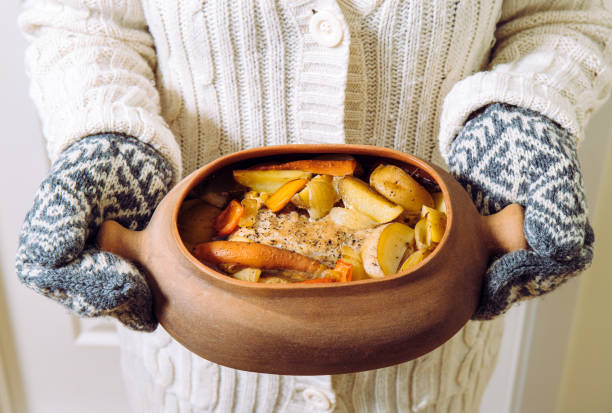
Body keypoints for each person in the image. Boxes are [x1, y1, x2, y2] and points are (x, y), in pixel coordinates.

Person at [15, 0, 611, 411]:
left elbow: (561, 12)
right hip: (196, 373)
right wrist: (105, 142)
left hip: (424, 377)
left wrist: (522, 120)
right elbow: (82, 19)